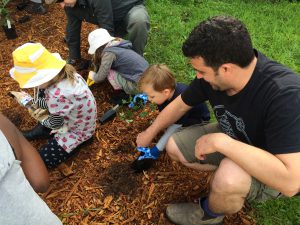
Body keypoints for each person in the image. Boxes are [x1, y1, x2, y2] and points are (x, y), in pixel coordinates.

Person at [136, 16, 300, 225]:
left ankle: (209, 213)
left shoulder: (285, 96)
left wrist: (224, 143)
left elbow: (291, 182)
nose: (197, 77)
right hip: (234, 135)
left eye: (201, 71)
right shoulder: (211, 78)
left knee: (228, 177)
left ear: (226, 69)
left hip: (273, 162)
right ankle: (228, 179)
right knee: (174, 146)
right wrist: (150, 132)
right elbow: (179, 105)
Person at [9, 42, 97, 169]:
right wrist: (33, 102)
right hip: (79, 120)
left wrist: (41, 117)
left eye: (35, 82)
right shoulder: (66, 75)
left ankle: (83, 140)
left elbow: (56, 124)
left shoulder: (58, 95)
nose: (35, 86)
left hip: (77, 130)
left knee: (41, 161)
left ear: (44, 78)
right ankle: (47, 133)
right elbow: (51, 105)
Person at [132, 64, 210, 172]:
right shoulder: (163, 96)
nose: (149, 99)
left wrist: (156, 150)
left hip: (196, 122)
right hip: (181, 119)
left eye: (151, 96)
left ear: (166, 92)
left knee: (173, 138)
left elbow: (174, 128)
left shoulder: (179, 98)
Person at [45, 0, 150, 69]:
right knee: (114, 52)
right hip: (112, 19)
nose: (62, 5)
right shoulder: (70, 6)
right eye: (57, 2)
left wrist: (102, 62)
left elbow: (107, 28)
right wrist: (74, 58)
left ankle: (136, 63)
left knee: (139, 22)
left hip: (128, 9)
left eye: (61, 0)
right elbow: (72, 29)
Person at [0, 113, 62, 225]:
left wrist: (43, 118)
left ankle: (43, 129)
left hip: (73, 132)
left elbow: (57, 122)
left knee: (46, 156)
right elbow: (41, 183)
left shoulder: (58, 98)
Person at [87, 28, 149, 96]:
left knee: (109, 71)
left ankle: (122, 92)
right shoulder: (118, 45)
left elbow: (100, 77)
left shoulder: (109, 53)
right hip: (150, 76)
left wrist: (93, 76)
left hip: (139, 86)